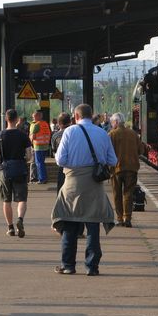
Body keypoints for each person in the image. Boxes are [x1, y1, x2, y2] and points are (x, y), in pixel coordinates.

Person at [52, 103, 117, 276]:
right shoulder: (103, 133)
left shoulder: (69, 132)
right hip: (94, 185)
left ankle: (68, 265)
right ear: (91, 115)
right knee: (93, 226)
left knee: (69, 224)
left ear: (76, 116)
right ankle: (92, 267)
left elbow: (60, 160)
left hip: (72, 184)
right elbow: (113, 160)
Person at [0, 109, 32, 238]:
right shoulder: (23, 135)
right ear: (17, 119)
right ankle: (20, 219)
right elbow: (29, 156)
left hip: (4, 170)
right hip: (20, 169)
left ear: (6, 119)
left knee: (6, 200)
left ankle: (10, 228)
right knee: (22, 199)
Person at [108, 112, 142, 227]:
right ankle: (127, 218)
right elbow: (140, 150)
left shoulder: (112, 134)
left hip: (116, 169)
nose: (112, 124)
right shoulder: (133, 134)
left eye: (112, 122)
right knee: (128, 193)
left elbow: (108, 152)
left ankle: (119, 219)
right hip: (132, 168)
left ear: (116, 122)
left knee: (117, 194)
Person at [51, 112, 72, 194]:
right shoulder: (75, 133)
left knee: (61, 190)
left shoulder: (55, 136)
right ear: (70, 122)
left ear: (59, 123)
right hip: (75, 165)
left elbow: (54, 152)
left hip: (62, 166)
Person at [29, 110, 51, 184]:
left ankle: (42, 179)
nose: (32, 117)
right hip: (45, 146)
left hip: (38, 146)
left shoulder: (36, 125)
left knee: (39, 163)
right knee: (42, 162)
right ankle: (44, 178)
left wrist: (30, 143)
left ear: (38, 116)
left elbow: (32, 136)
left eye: (34, 116)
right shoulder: (45, 124)